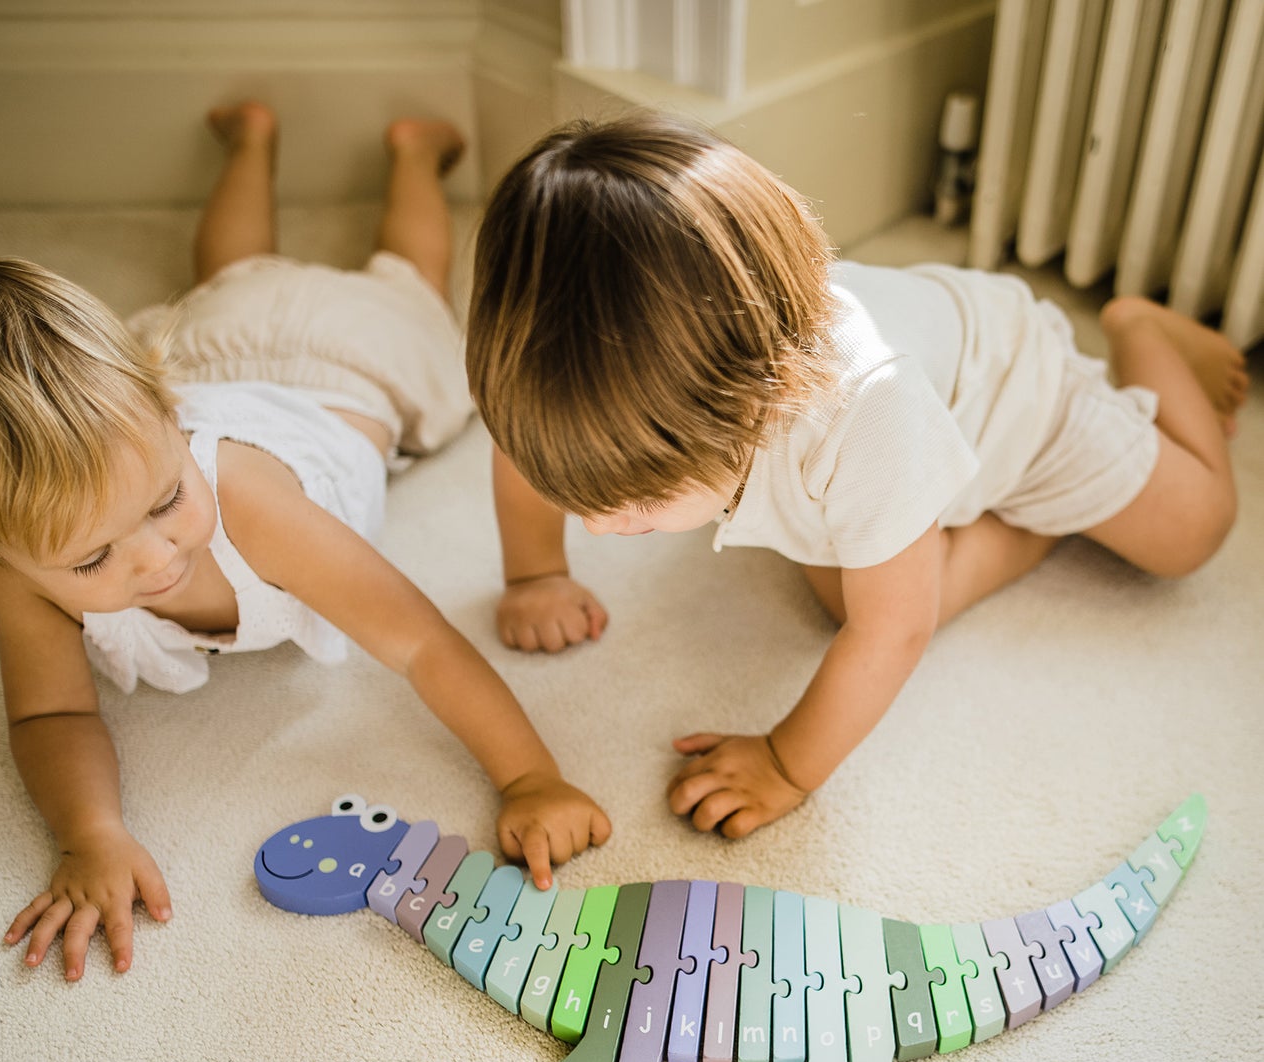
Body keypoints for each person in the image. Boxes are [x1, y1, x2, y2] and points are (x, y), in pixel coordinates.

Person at [0, 103, 610, 981]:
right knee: (227, 277)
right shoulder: (17, 564)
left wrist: (529, 777)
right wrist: (90, 832)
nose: (153, 557)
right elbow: (48, 712)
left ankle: (416, 156)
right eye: (92, 560)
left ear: (170, 412)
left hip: (354, 364)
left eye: (167, 499)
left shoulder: (249, 502)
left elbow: (421, 640)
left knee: (407, 287)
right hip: (226, 342)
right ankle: (251, 142)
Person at [472, 111, 1245, 839]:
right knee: (854, 588)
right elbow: (519, 452)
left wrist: (784, 762)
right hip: (885, 447)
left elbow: (893, 631)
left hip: (1021, 399)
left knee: (1191, 531)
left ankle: (1138, 329)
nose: (600, 525)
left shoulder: (867, 408)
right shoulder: (566, 383)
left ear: (750, 399)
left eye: (635, 497)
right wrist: (534, 572)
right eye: (578, 497)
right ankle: (975, 521)